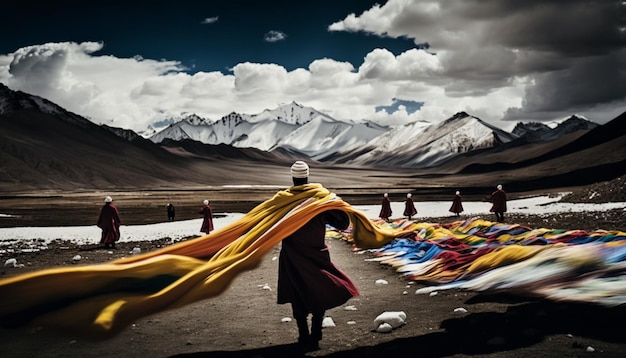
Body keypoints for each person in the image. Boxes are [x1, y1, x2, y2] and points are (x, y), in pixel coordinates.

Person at [277, 160, 359, 351]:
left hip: (292, 255)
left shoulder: (283, 200)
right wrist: (334, 203)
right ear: (307, 176)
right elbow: (342, 223)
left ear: (292, 177)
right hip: (316, 253)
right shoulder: (320, 199)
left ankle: (303, 334)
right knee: (318, 288)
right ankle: (316, 332)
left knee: (297, 291)